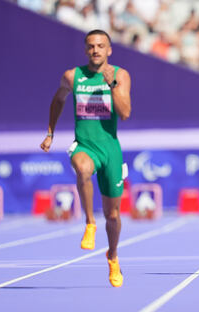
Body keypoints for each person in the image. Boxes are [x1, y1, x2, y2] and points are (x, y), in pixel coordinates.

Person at [40, 30, 131, 287]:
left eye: (101, 46)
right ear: (85, 50)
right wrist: (50, 133)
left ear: (109, 50)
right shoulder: (72, 76)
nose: (96, 50)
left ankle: (112, 256)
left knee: (113, 216)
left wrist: (111, 84)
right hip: (85, 145)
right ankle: (90, 222)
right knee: (81, 168)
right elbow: (57, 100)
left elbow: (125, 113)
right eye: (91, 46)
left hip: (111, 150)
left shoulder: (120, 75)